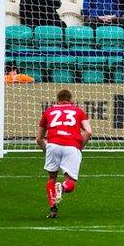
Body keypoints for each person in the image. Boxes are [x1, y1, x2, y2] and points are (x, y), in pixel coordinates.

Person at [36, 89, 92, 218]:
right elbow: (88, 132)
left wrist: (48, 149)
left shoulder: (49, 111)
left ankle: (53, 207)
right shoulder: (78, 111)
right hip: (71, 146)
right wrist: (79, 147)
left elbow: (39, 138)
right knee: (70, 182)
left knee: (51, 178)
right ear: (71, 99)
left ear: (57, 99)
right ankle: (61, 188)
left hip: (53, 145)